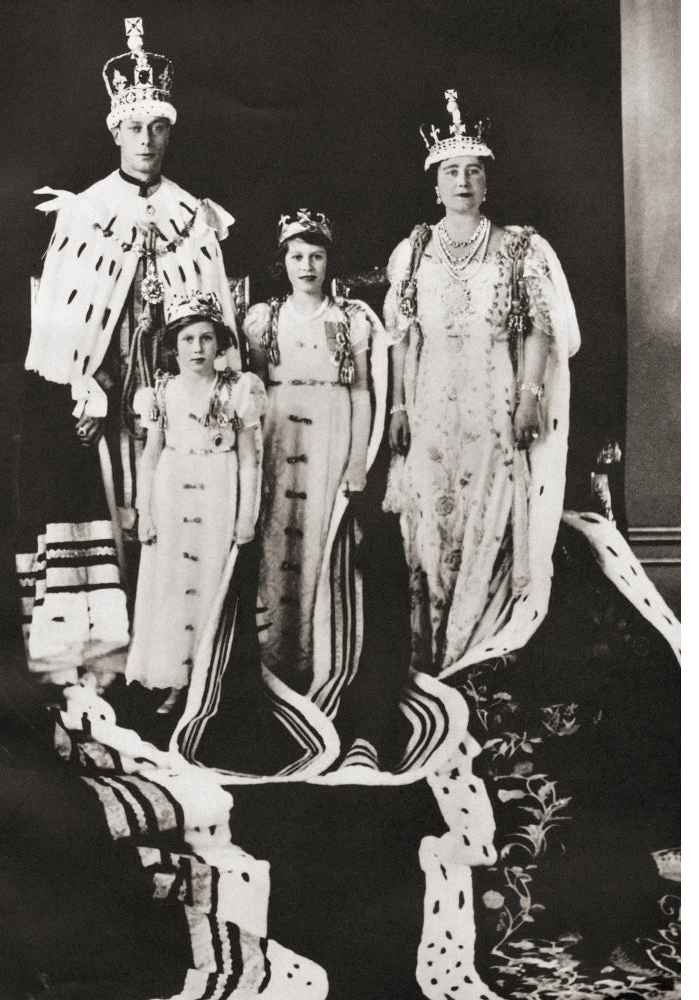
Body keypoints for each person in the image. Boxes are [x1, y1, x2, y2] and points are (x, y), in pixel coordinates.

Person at [16, 17, 241, 688]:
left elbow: (216, 323)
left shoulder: (191, 216)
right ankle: (108, 659)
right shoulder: (84, 213)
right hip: (105, 394)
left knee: (173, 516)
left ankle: (170, 661)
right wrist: (81, 382)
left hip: (175, 402)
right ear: (115, 131)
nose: (146, 140)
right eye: (134, 129)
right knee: (113, 512)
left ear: (170, 132)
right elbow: (59, 329)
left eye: (158, 128)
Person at [383, 90, 581, 678]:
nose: (462, 180)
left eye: (473, 171)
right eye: (451, 171)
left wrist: (530, 396)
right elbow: (401, 335)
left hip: (496, 404)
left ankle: (477, 654)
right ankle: (433, 652)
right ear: (435, 184)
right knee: (431, 522)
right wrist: (397, 406)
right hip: (430, 405)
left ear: (486, 184)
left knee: (490, 519)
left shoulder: (521, 247)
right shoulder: (414, 250)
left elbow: (540, 329)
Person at [243, 210, 384, 701]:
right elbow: (255, 389)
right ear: (282, 262)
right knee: (278, 541)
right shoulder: (265, 318)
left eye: (316, 256)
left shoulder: (351, 319)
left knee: (323, 543)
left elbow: (362, 391)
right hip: (280, 437)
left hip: (330, 432)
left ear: (329, 262)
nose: (307, 266)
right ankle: (276, 660)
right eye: (297, 256)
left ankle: (322, 660)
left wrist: (357, 460)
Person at [126, 292, 266, 714]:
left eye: (207, 339)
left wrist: (247, 518)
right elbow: (149, 455)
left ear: (219, 345)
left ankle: (210, 680)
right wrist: (143, 512)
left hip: (217, 491)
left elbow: (249, 459)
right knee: (171, 587)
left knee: (211, 584)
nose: (198, 349)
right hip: (171, 491)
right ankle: (175, 680)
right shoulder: (161, 392)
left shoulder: (238, 389)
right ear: (174, 345)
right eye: (188, 340)